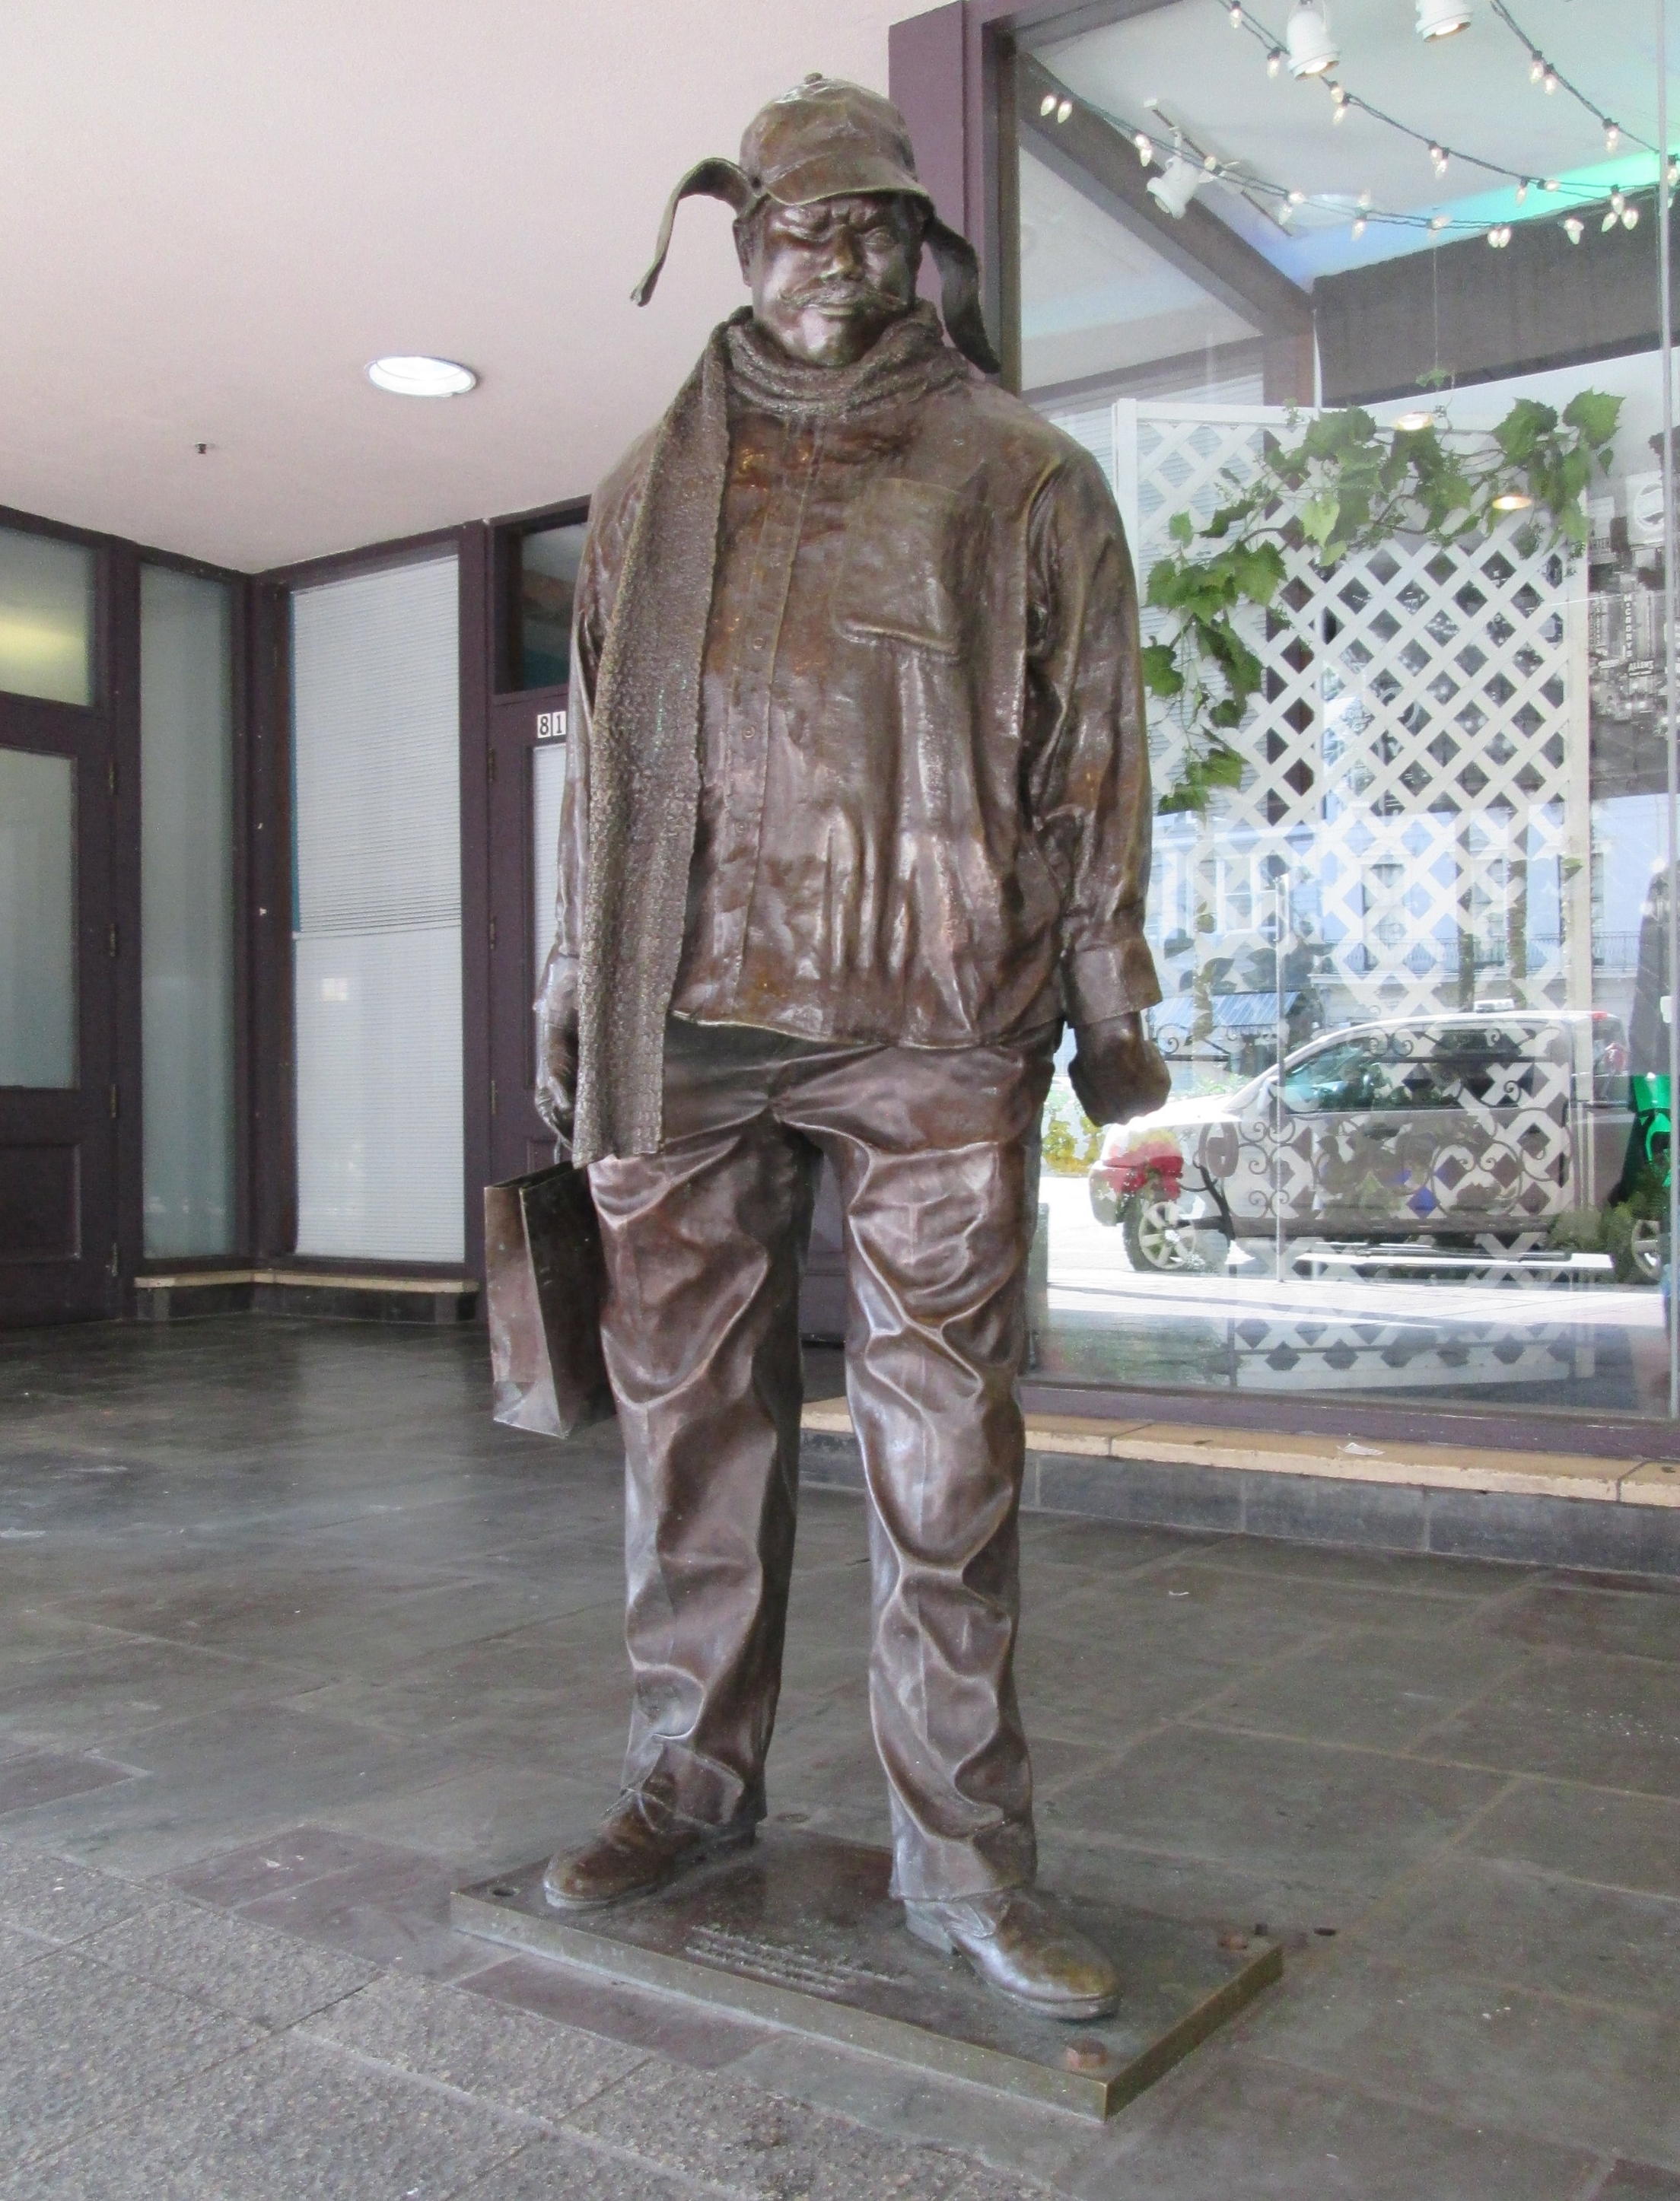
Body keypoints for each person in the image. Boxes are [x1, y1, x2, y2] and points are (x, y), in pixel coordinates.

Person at [533, 74, 1168, 2022]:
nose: (852, 253)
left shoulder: (1022, 475)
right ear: (736, 235)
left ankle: (966, 1859)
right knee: (687, 1435)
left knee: (945, 1452)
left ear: (927, 244)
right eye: (815, 222)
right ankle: (688, 1782)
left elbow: (1093, 765)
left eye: (884, 223)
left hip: (932, 1019)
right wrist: (578, 985)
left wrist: (1110, 1012)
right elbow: (599, 770)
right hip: (691, 1019)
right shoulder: (650, 481)